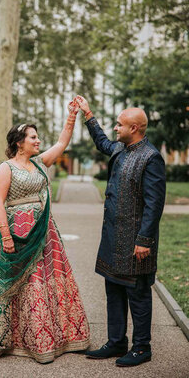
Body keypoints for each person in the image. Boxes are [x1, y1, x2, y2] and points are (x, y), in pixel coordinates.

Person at [0, 104, 90, 363]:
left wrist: (73, 116)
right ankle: (13, 338)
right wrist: (7, 237)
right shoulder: (5, 168)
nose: (38, 140)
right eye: (33, 137)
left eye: (38, 136)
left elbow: (63, 141)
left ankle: (51, 337)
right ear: (19, 143)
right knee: (21, 282)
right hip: (18, 232)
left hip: (44, 230)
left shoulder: (40, 163)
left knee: (45, 279)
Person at [77, 96, 166, 367]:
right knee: (113, 290)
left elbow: (154, 204)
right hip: (112, 238)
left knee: (138, 294)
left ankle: (142, 348)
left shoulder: (151, 158)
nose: (116, 128)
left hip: (136, 243)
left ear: (135, 128)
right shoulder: (120, 149)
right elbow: (103, 142)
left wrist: (144, 240)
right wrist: (88, 115)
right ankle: (116, 341)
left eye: (119, 125)